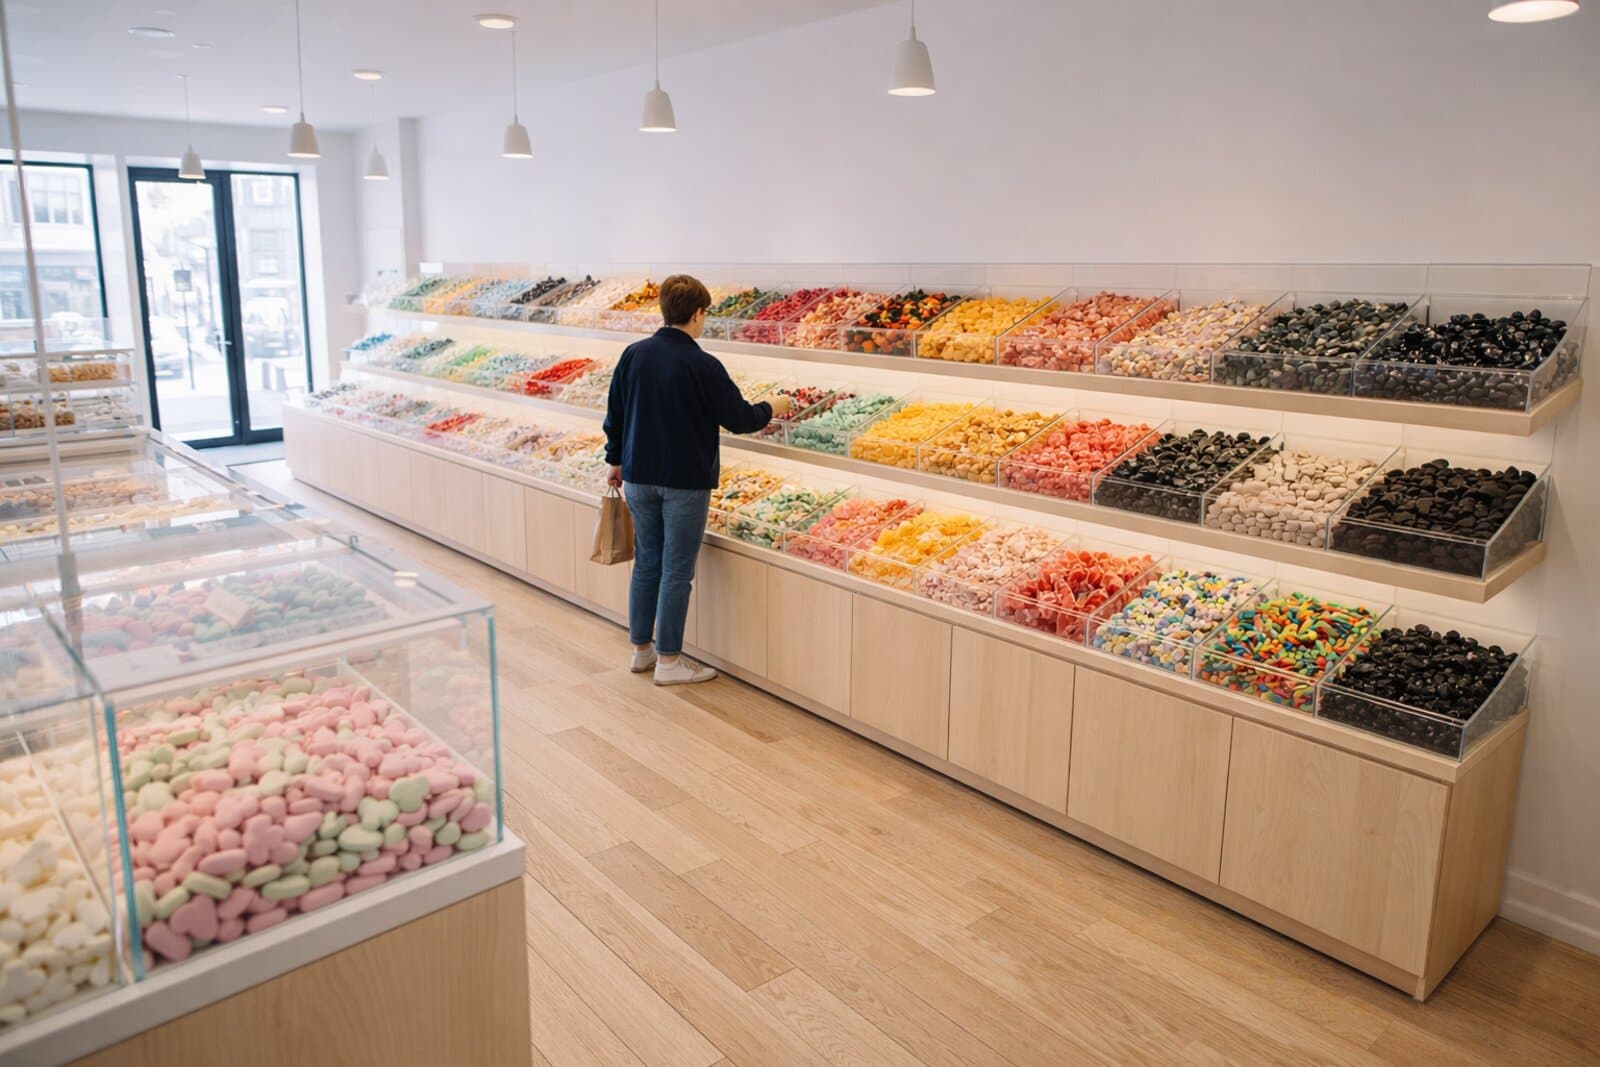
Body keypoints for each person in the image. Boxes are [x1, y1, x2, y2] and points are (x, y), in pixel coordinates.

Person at [603, 274, 793, 685]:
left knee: (647, 563)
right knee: (676, 571)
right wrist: (773, 406)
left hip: (638, 476)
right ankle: (669, 662)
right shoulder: (702, 364)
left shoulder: (633, 355)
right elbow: (741, 419)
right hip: (684, 481)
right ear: (698, 313)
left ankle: (641, 651)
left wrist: (614, 459)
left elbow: (615, 413)